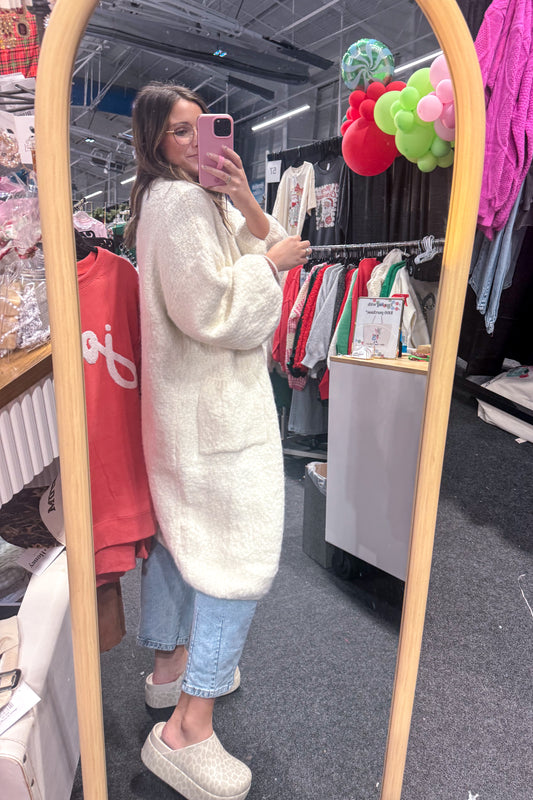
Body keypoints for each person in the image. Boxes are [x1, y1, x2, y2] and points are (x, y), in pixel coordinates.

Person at [124, 81, 312, 800]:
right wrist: (267, 266)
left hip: (193, 413)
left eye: (202, 129)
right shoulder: (176, 205)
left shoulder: (189, 198)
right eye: (181, 131)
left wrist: (243, 199)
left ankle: (170, 673)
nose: (197, 142)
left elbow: (262, 242)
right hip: (210, 412)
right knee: (239, 554)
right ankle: (187, 728)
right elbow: (211, 309)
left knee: (184, 541)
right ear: (153, 139)